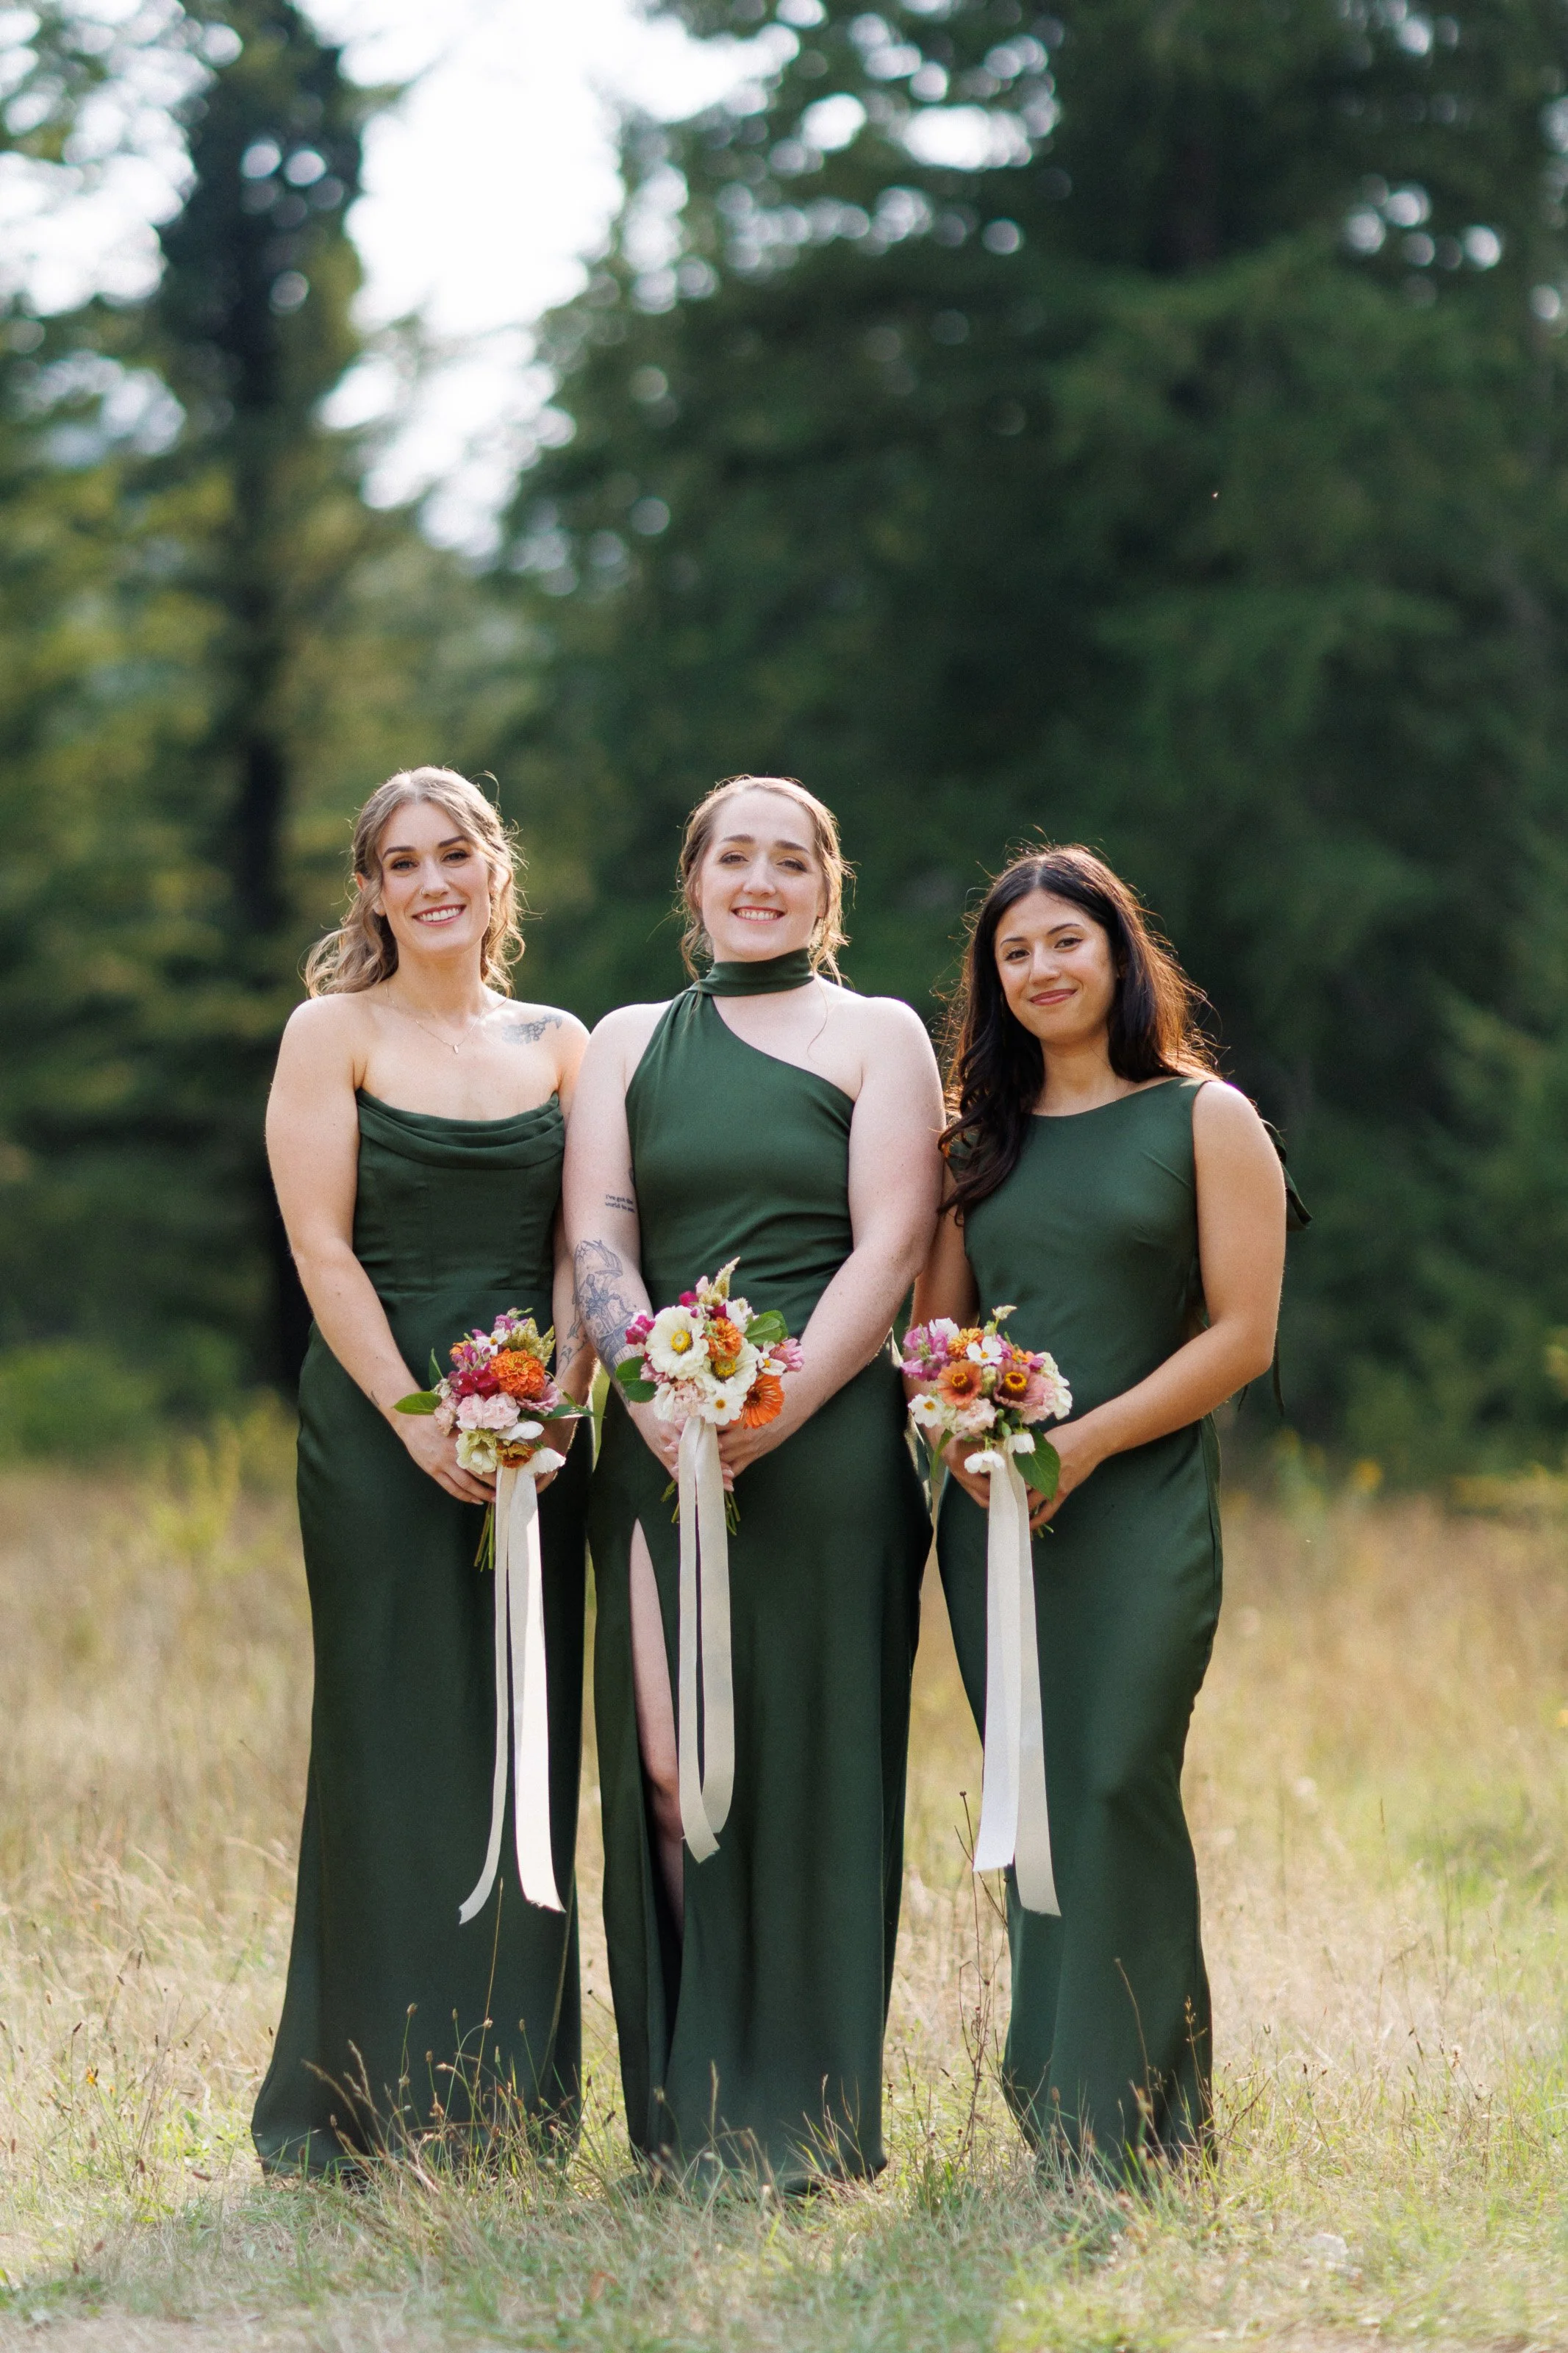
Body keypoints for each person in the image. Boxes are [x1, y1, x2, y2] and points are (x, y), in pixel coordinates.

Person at [565, 774, 943, 2187]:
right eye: (737, 857)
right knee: (671, 1769)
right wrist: (649, 1385)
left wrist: (777, 1403)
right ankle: (689, 2099)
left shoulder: (878, 1033)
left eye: (792, 861)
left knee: (811, 1767)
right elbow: (600, 1230)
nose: (761, 881)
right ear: (697, 880)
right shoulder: (620, 1041)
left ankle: (807, 2108)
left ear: (827, 889)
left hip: (823, 1435)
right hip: (660, 1433)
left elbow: (889, 1246)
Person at [916, 844, 1290, 2175]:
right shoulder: (979, 1141)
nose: (1040, 969)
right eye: (1014, 954)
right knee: (1034, 1790)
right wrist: (962, 1428)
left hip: (1134, 1509)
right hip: (996, 1522)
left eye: (1065, 941)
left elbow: (1243, 1336)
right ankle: (1080, 2107)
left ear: (1120, 954)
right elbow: (933, 1335)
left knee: (1119, 1775)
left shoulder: (1206, 1119)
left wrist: (1081, 1443)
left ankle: (1128, 2109)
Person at [254, 765, 592, 2174]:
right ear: (373, 892)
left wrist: (560, 1405)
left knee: (528, 1726)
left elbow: (589, 1245)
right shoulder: (330, 1032)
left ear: (495, 871)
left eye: (455, 854)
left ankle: (508, 2108)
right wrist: (411, 1415)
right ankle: (365, 2104)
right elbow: (321, 1246)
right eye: (402, 863)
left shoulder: (566, 1041)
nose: (432, 881)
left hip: (537, 1436)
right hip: (381, 1427)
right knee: (395, 1736)